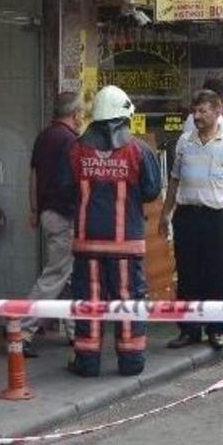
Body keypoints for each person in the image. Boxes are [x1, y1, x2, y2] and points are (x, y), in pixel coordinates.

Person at [65, 86, 161, 377]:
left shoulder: (77, 149)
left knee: (89, 301)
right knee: (128, 300)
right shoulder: (139, 150)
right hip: (126, 245)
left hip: (87, 242)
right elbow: (152, 191)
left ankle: (87, 362)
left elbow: (65, 188)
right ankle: (131, 362)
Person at [162, 89, 223, 351]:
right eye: (195, 110)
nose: (197, 115)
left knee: (217, 273)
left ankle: (216, 329)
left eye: (203, 111)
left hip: (218, 217)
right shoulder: (184, 142)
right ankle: (189, 329)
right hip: (187, 216)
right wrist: (166, 213)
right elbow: (175, 180)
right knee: (188, 273)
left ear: (217, 112)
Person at [21, 92, 84, 357]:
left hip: (48, 211)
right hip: (64, 214)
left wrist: (34, 209)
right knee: (56, 274)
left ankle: (74, 330)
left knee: (69, 275)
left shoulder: (44, 136)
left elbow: (33, 175)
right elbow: (74, 182)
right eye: (81, 112)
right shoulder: (70, 141)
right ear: (75, 114)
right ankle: (22, 327)